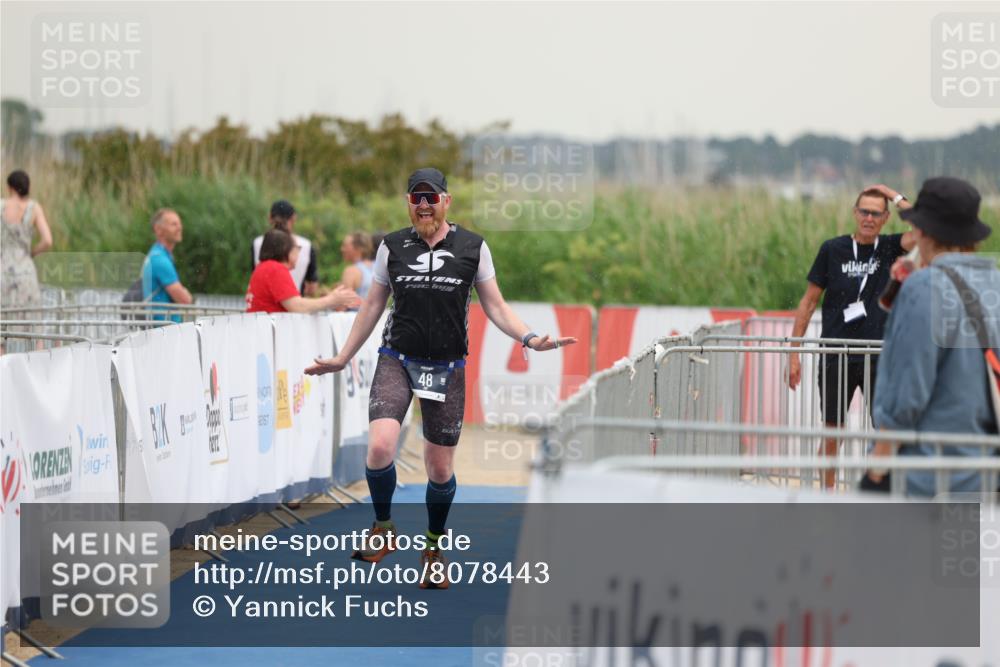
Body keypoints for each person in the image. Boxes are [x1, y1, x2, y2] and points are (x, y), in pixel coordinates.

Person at [305, 167, 576, 588]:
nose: (425, 205)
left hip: (447, 368)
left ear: (447, 201)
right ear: (408, 203)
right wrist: (343, 356)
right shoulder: (391, 247)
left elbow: (497, 306)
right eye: (417, 198)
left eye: (432, 197)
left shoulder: (473, 247)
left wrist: (529, 337)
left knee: (439, 466)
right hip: (397, 358)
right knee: (379, 447)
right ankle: (382, 527)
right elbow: (373, 306)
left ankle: (433, 549)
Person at [864, 177, 996, 496]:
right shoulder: (994, 283)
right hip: (988, 476)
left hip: (927, 481)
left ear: (921, 231)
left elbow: (905, 397)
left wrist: (877, 472)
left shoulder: (924, 288)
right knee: (974, 548)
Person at [787, 185, 915, 488]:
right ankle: (828, 497)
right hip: (836, 353)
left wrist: (892, 194)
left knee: (883, 430)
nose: (869, 218)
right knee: (833, 430)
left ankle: (879, 496)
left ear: (885, 218)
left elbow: (925, 227)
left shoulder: (890, 246)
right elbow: (808, 302)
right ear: (855, 213)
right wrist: (794, 354)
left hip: (877, 355)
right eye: (864, 211)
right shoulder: (832, 249)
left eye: (876, 213)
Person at [246, 226, 360, 313]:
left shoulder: (263, 267)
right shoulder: (275, 269)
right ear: (286, 249)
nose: (298, 253)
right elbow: (297, 306)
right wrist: (331, 300)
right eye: (297, 248)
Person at [251, 200, 319, 296]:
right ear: (294, 218)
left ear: (270, 217)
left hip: (264, 307)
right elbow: (313, 288)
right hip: (295, 305)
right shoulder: (306, 245)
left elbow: (255, 277)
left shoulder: (257, 243)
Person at [142, 208, 192, 323]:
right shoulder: (159, 259)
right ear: (158, 230)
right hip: (164, 331)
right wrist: (185, 293)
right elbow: (184, 300)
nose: (180, 227)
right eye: (174, 224)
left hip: (163, 329)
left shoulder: (157, 255)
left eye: (179, 223)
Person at [339, 232, 375, 306]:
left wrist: (328, 299)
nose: (342, 249)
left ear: (358, 248)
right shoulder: (378, 267)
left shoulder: (351, 271)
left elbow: (343, 306)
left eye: (345, 246)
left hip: (355, 316)